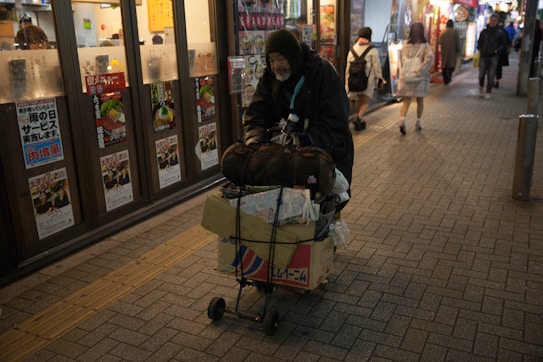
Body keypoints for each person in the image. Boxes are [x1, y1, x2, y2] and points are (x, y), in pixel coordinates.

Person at [242, 29, 354, 200]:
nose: (275, 66)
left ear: (293, 56)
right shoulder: (270, 77)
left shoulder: (322, 73)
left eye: (280, 59)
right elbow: (257, 113)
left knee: (321, 212)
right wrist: (253, 140)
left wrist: (305, 140)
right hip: (292, 160)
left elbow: (337, 125)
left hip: (328, 156)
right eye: (271, 60)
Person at [345, 27, 386, 131]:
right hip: (367, 81)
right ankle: (358, 118)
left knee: (359, 100)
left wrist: (346, 83)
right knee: (365, 101)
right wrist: (380, 79)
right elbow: (377, 67)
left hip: (353, 80)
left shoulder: (352, 49)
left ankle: (359, 120)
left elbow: (347, 69)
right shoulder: (372, 50)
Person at [397, 22, 434, 135]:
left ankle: (402, 119)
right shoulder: (425, 45)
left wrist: (405, 69)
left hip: (407, 75)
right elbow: (430, 58)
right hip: (419, 77)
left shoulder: (404, 44)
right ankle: (418, 122)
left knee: (406, 100)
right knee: (420, 100)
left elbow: (401, 58)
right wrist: (420, 70)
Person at [477, 13, 507, 100]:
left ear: (497, 22)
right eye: (491, 20)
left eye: (494, 21)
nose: (492, 22)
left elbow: (504, 44)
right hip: (484, 55)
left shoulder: (500, 33)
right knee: (481, 74)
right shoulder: (484, 32)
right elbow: (479, 42)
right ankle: (481, 85)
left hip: (493, 56)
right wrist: (480, 48)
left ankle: (488, 91)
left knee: (491, 75)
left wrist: (497, 50)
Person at [438, 20, 461, 85]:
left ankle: (445, 79)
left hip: (444, 51)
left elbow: (439, 42)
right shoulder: (455, 32)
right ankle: (449, 77)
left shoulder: (443, 33)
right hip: (452, 51)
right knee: (451, 65)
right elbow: (457, 43)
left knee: (444, 65)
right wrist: (458, 50)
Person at [494, 20, 510, 89]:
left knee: (493, 68)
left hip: (496, 53)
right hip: (499, 53)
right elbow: (506, 43)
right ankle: (496, 80)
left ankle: (494, 80)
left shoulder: (496, 32)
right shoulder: (504, 32)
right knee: (498, 68)